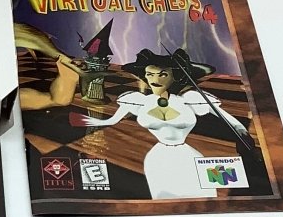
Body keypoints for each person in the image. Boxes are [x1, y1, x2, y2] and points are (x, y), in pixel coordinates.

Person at [69, 47, 250, 199]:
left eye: (163, 74)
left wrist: (242, 132)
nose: (155, 80)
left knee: (203, 199)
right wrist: (84, 121)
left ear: (175, 76)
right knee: (163, 199)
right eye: (150, 74)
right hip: (157, 160)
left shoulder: (190, 99)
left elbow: (228, 119)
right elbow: (111, 120)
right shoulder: (139, 101)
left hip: (189, 159)